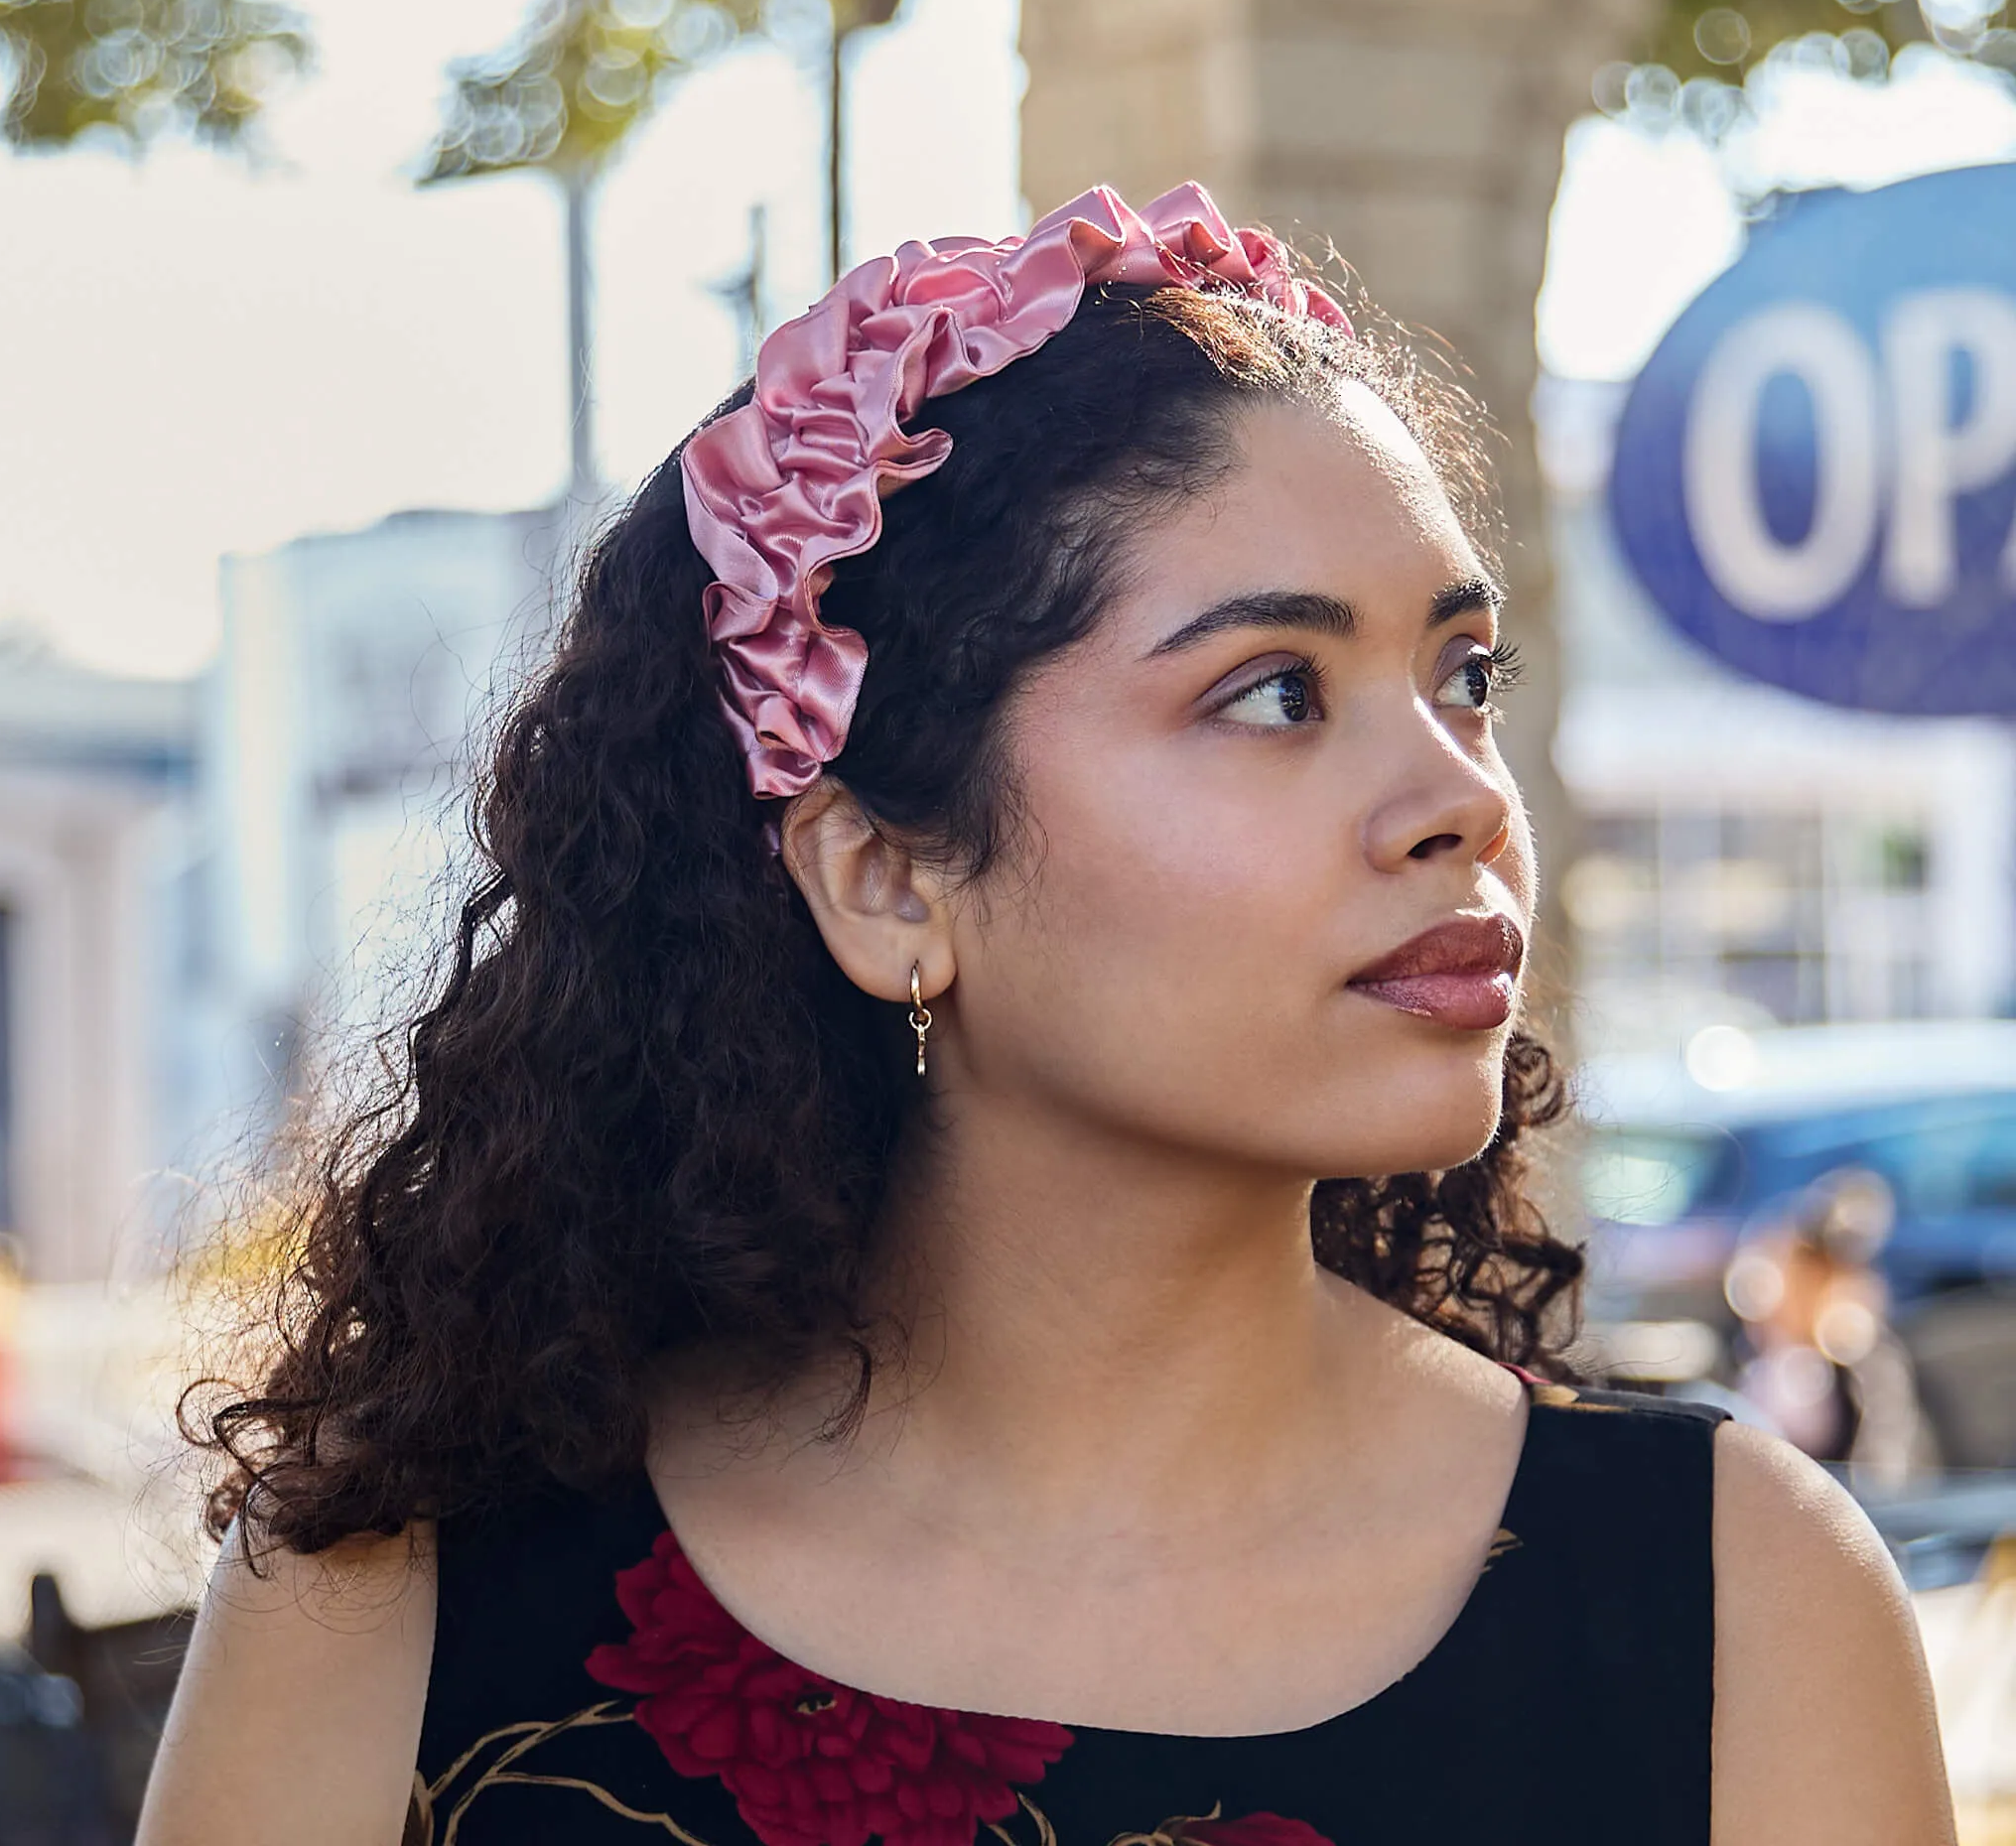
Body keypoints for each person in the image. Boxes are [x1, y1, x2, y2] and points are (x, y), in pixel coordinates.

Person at [139, 185, 1954, 1846]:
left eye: (1465, 674)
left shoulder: (1737, 1600)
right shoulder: (395, 1600)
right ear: (885, 879)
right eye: (1271, 693)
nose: (1462, 795)